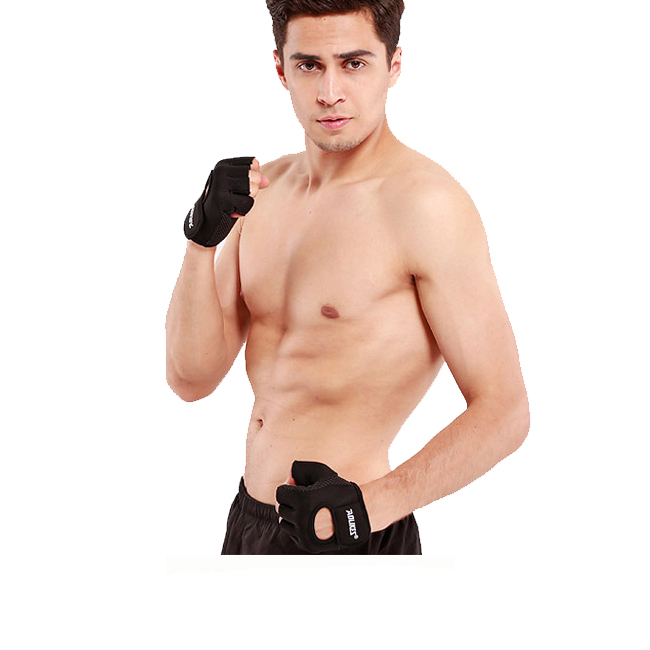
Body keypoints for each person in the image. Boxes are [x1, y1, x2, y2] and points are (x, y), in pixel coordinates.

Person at [165, 0, 530, 555]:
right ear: (281, 68)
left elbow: (505, 411)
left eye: (354, 63)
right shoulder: (263, 193)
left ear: (394, 65)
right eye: (309, 65)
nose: (330, 92)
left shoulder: (426, 207)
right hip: (249, 520)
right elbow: (189, 379)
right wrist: (201, 241)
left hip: (353, 529)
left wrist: (369, 509)